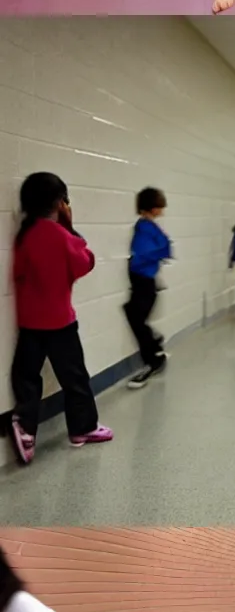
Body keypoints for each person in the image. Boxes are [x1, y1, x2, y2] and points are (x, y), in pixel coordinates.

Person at [9, 172, 112, 464]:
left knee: (27, 376)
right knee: (75, 377)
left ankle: (25, 427)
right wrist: (70, 225)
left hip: (29, 321)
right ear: (60, 202)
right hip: (60, 323)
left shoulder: (24, 235)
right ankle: (83, 429)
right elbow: (85, 262)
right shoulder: (59, 234)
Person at [125, 186, 173, 387]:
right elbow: (163, 248)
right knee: (134, 314)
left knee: (136, 317)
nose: (162, 209)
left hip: (144, 281)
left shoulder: (146, 227)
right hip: (143, 281)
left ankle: (153, 358)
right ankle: (154, 345)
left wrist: (137, 263)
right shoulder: (147, 227)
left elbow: (162, 248)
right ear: (153, 208)